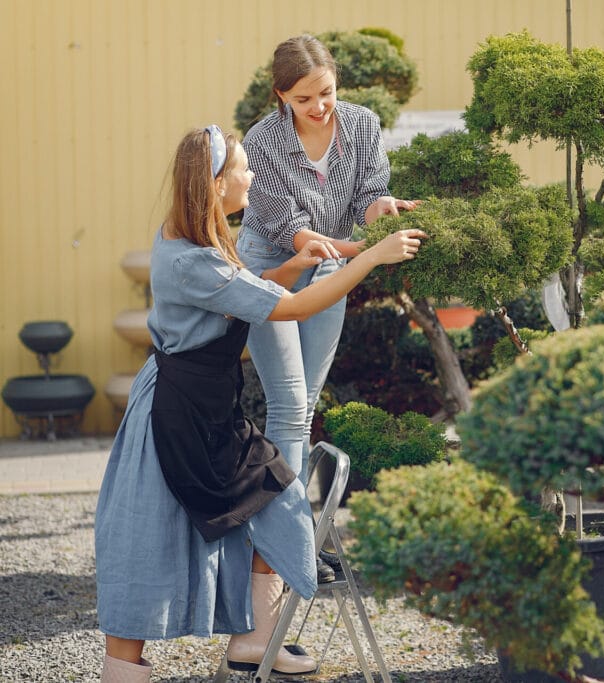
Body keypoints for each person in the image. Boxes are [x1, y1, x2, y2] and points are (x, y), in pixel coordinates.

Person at [93, 124, 425, 682]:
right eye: (243, 169)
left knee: (277, 494)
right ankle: (132, 671)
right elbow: (288, 309)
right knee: (146, 545)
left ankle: (254, 641)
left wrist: (286, 270)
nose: (252, 176)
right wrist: (370, 259)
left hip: (202, 405)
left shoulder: (195, 238)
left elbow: (243, 288)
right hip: (175, 415)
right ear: (217, 183)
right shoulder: (193, 260)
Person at [237, 34, 418, 582]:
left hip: (335, 265)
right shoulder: (262, 142)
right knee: (289, 405)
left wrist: (381, 209)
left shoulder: (361, 125)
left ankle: (295, 544)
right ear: (280, 96)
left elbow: (369, 194)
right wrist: (369, 252)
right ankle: (291, 549)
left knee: (307, 404)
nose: (319, 107)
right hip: (274, 270)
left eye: (326, 93)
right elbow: (293, 235)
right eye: (303, 99)